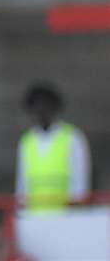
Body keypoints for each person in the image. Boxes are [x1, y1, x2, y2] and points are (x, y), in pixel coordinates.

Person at [15, 82, 91, 210]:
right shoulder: (26, 141)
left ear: (55, 107)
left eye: (45, 105)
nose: (41, 111)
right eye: (36, 106)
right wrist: (21, 210)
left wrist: (76, 209)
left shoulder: (73, 137)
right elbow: (22, 185)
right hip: (34, 216)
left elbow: (80, 182)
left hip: (65, 215)